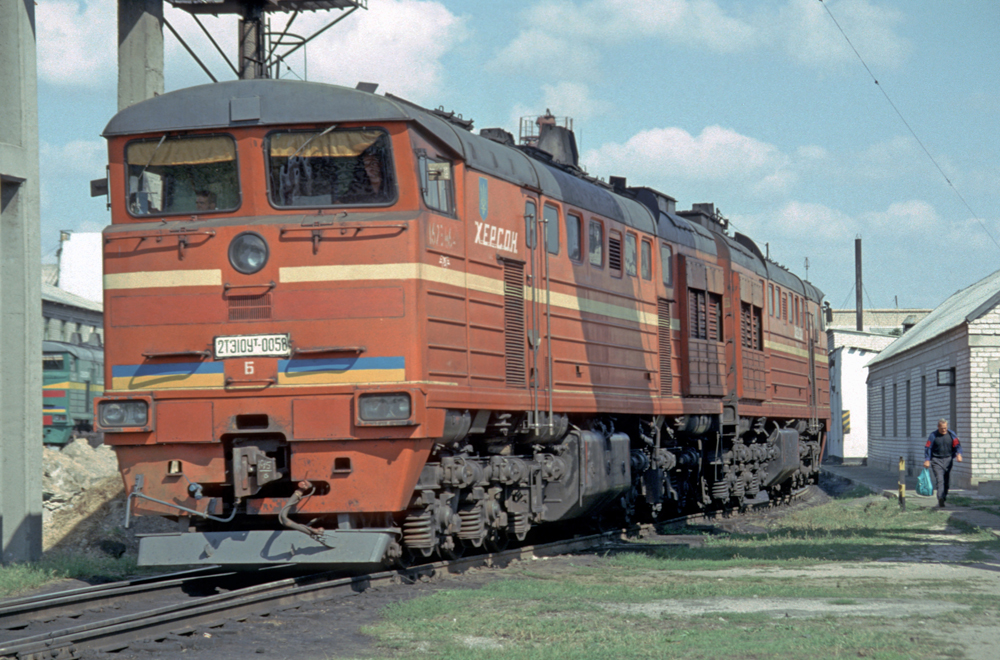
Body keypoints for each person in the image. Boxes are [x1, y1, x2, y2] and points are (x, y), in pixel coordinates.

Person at [923, 418, 963, 507]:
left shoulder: (952, 434)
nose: (944, 430)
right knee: (939, 479)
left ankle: (944, 497)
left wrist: (959, 454)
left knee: (946, 481)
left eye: (945, 428)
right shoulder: (933, 435)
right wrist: (927, 459)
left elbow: (957, 445)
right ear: (938, 427)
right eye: (942, 428)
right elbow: (928, 447)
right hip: (936, 460)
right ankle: (940, 497)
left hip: (948, 460)